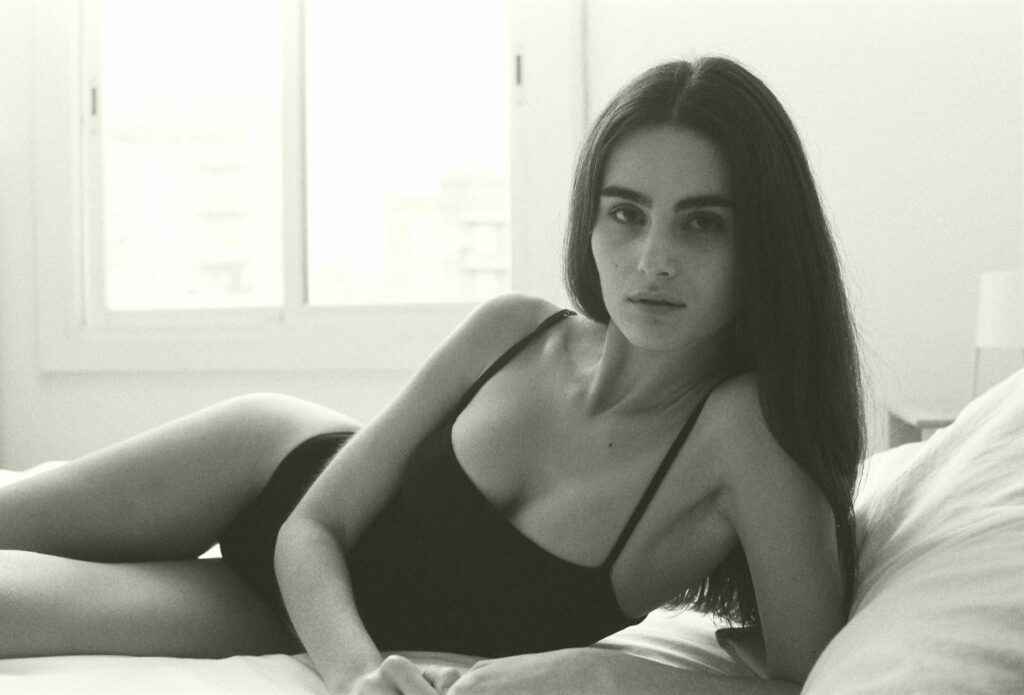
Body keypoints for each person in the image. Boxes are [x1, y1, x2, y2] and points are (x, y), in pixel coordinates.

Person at [0, 55, 863, 694]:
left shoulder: (748, 436)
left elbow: (807, 678)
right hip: (270, 470)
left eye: (702, 224)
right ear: (590, 222)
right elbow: (314, 526)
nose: (652, 260)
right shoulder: (515, 329)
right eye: (626, 214)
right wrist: (357, 674)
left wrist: (600, 673)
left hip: (280, 610)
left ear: (763, 245)